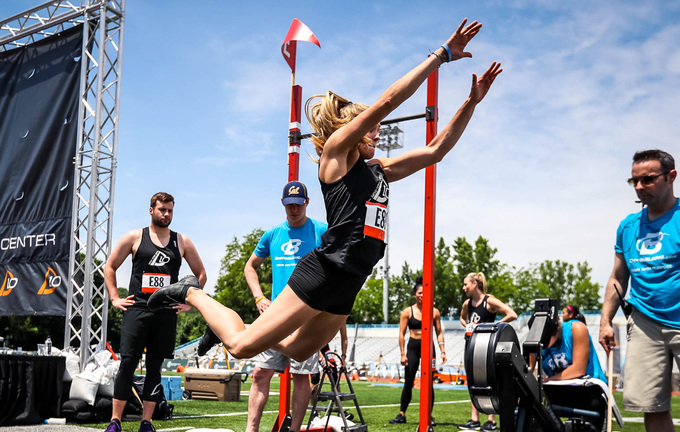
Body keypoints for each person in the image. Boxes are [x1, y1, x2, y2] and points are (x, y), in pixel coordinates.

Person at [149, 18, 501, 376]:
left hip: (351, 279)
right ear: (354, 130)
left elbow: (436, 151)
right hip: (325, 270)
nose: (378, 136)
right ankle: (192, 293)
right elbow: (389, 100)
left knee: (297, 350)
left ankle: (225, 324)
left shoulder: (380, 170)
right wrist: (441, 55)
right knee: (241, 348)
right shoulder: (335, 155)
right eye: (373, 130)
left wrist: (471, 102)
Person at [103, 192, 207, 432]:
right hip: (138, 309)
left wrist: (190, 302)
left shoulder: (182, 241)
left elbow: (201, 274)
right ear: (151, 210)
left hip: (165, 313)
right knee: (127, 364)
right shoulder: (134, 237)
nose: (166, 214)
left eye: (170, 210)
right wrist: (114, 298)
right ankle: (115, 422)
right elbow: (110, 266)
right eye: (162, 210)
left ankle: (146, 422)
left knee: (155, 367)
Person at [599, 149, 679, 432]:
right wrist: (605, 321)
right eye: (634, 181)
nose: (640, 186)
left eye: (648, 179)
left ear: (671, 177)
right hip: (645, 323)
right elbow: (618, 277)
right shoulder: (628, 226)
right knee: (650, 405)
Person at [243, 181, 326, 432]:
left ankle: (294, 430)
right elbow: (250, 267)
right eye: (289, 205)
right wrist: (259, 297)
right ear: (283, 204)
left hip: (305, 315)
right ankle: (252, 430)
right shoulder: (273, 234)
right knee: (260, 373)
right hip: (275, 314)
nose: (294, 209)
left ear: (307, 203)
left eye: (298, 204)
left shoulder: (321, 231)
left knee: (301, 377)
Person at [458, 272, 517, 431]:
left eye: (466, 284)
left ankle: (491, 420)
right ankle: (474, 420)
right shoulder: (467, 303)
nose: (464, 288)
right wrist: (468, 325)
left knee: (492, 380)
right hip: (471, 345)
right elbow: (462, 318)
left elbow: (512, 314)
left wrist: (495, 327)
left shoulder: (489, 301)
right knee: (472, 381)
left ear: (474, 283)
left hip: (488, 347)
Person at [389, 276, 446, 425]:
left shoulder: (434, 312)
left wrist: (443, 351)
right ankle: (402, 414)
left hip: (429, 348)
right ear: (415, 294)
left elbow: (439, 332)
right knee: (409, 382)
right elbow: (401, 334)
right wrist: (402, 354)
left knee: (429, 383)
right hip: (413, 347)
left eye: (425, 292)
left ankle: (428, 415)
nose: (422, 295)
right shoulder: (407, 312)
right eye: (420, 293)